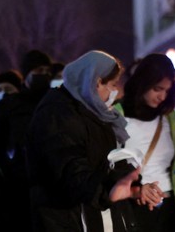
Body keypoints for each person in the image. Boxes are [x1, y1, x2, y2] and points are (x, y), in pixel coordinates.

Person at [26, 50, 144, 232]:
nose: (114, 92)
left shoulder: (91, 111)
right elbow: (70, 169)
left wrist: (131, 184)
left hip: (93, 213)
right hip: (67, 217)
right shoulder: (58, 114)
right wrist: (107, 191)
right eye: (112, 85)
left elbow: (106, 159)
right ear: (96, 82)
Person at [116, 53, 175, 232]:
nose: (162, 96)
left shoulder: (171, 119)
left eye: (167, 91)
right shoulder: (116, 115)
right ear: (142, 83)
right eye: (157, 89)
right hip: (131, 205)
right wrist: (136, 190)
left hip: (169, 205)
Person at [0, 49, 55, 232]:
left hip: (49, 192)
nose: (43, 75)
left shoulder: (55, 104)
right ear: (26, 74)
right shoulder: (9, 107)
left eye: (46, 71)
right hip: (16, 191)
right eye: (38, 71)